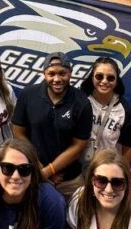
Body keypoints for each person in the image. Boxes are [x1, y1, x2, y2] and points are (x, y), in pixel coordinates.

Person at [12, 52, 92, 196]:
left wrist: (49, 170)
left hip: (69, 181)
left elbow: (78, 145)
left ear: (70, 73)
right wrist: (38, 167)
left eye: (62, 73)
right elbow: (18, 132)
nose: (57, 79)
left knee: (73, 218)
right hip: (33, 175)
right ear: (44, 73)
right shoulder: (28, 94)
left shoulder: (82, 103)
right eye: (51, 74)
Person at [79, 57, 131, 168]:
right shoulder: (80, 102)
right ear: (92, 77)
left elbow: (127, 149)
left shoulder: (125, 111)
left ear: (116, 81)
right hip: (79, 170)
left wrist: (125, 178)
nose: (104, 81)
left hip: (108, 171)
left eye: (110, 78)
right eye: (99, 76)